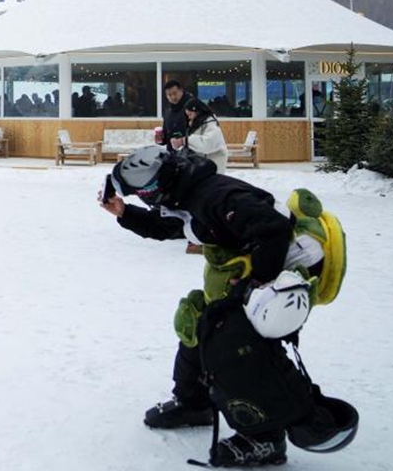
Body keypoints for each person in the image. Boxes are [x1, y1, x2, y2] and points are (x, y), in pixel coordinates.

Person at [98, 147, 327, 467]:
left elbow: (272, 229)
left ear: (156, 187)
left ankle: (266, 437)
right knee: (198, 322)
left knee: (234, 343)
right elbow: (178, 227)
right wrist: (126, 213)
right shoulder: (186, 192)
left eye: (142, 194)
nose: (145, 200)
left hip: (288, 274)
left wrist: (255, 284)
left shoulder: (215, 196)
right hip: (256, 269)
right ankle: (195, 402)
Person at [179, 98, 228, 172]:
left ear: (197, 111)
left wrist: (185, 140)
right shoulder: (197, 124)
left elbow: (207, 144)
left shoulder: (210, 123)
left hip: (213, 167)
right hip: (204, 166)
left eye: (190, 114)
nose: (189, 117)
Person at [161, 80, 193, 146]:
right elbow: (166, 135)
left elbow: (199, 134)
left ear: (181, 91)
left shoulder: (192, 106)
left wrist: (183, 140)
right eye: (169, 95)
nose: (173, 97)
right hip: (172, 152)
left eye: (175, 93)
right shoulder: (168, 110)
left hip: (190, 151)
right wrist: (160, 139)